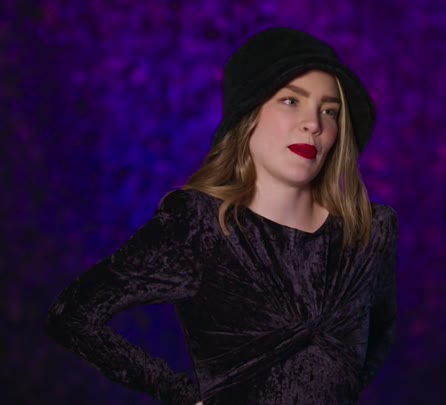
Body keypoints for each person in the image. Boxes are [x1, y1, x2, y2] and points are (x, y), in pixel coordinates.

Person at [44, 27, 398, 405]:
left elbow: (378, 337)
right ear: (248, 114)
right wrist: (181, 394)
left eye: (329, 111)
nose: (314, 123)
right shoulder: (200, 226)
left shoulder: (369, 231)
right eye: (290, 101)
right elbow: (72, 316)